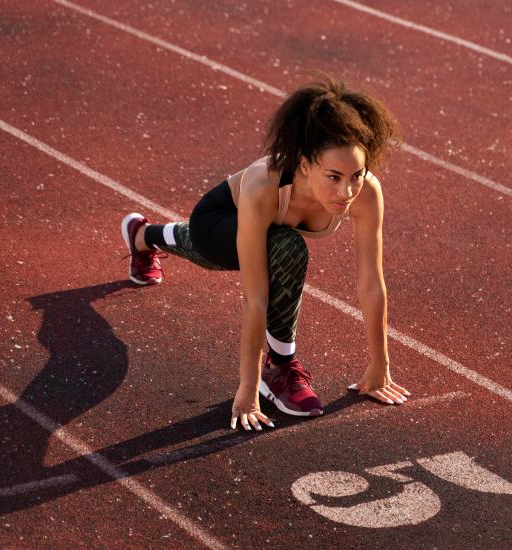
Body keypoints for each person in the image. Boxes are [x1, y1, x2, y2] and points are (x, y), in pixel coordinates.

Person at [119, 72, 409, 431]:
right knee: (284, 247)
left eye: (356, 175)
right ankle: (278, 369)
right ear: (305, 165)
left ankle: (143, 236)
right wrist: (246, 388)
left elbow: (371, 284)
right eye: (333, 177)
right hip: (218, 220)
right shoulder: (265, 184)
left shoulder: (366, 192)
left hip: (267, 229)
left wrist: (379, 367)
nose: (346, 191)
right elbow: (255, 298)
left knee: (280, 244)